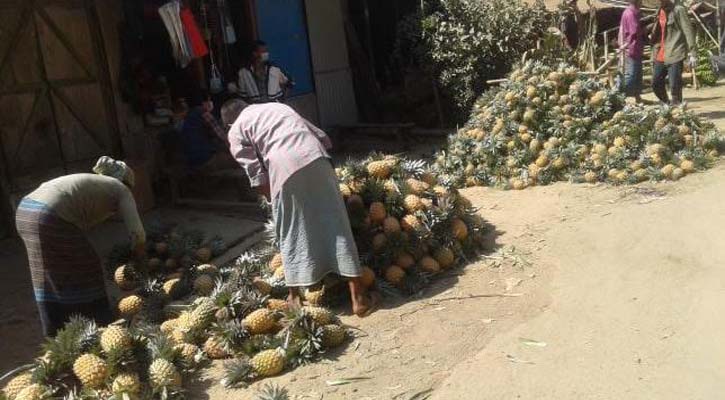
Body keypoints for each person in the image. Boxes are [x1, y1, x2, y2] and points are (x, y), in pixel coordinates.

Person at [220, 100, 377, 316]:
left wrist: (271, 199)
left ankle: (294, 297)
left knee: (289, 231)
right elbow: (321, 136)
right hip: (316, 156)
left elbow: (255, 173)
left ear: (229, 123)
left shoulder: (236, 130)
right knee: (337, 223)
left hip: (283, 168)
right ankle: (358, 296)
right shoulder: (277, 107)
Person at [15, 157, 146, 336]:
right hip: (49, 216)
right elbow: (137, 234)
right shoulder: (121, 189)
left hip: (24, 211)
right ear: (126, 182)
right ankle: (99, 322)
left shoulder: (94, 183)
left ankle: (55, 330)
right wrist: (140, 262)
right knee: (88, 267)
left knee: (45, 272)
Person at [177, 91, 238, 173]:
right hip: (205, 159)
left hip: (191, 160)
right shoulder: (204, 114)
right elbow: (223, 138)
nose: (210, 103)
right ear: (203, 102)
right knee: (243, 160)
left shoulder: (187, 117)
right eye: (209, 100)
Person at [651, 0, 697, 105]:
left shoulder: (679, 10)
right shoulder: (660, 10)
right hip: (661, 52)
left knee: (674, 85)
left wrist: (693, 53)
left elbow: (688, 31)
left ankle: (677, 107)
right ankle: (666, 103)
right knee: (655, 83)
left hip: (675, 51)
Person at [619, 0, 645, 102]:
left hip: (636, 48)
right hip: (632, 48)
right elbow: (634, 31)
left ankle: (637, 97)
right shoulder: (630, 14)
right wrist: (645, 30)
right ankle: (621, 97)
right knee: (632, 74)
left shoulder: (633, 12)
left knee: (638, 74)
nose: (642, 2)